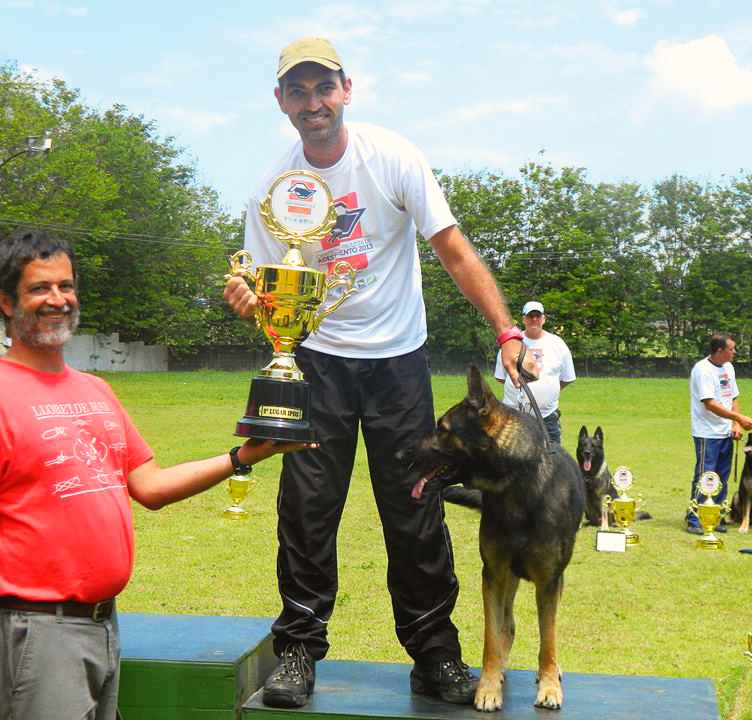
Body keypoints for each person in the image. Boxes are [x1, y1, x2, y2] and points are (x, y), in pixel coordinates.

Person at [222, 37, 529, 710]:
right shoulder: (271, 189)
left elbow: (452, 249)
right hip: (315, 363)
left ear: (347, 90)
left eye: (322, 88)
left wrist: (506, 330)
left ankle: (436, 656)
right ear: (281, 102)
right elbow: (272, 304)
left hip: (396, 362)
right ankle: (298, 650)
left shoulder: (392, 157)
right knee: (306, 510)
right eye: (297, 92)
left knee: (416, 507)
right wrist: (252, 308)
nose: (313, 103)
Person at [0, 230, 312, 720]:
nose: (58, 300)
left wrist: (243, 457)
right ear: (6, 302)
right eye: (40, 289)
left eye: (66, 286)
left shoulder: (95, 391)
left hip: (104, 623)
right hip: (34, 630)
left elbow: (151, 487)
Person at [685, 332, 752, 534]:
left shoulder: (729, 367)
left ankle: (714, 516)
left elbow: (733, 397)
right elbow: (710, 404)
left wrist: (736, 425)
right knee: (704, 476)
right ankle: (694, 518)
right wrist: (739, 418)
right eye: (731, 349)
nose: (734, 352)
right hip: (707, 433)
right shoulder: (702, 370)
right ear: (719, 351)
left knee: (722, 477)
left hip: (726, 432)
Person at [493, 301, 575, 445]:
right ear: (523, 319)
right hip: (514, 416)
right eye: (530, 316)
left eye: (538, 315)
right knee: (512, 459)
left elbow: (567, 378)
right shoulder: (511, 344)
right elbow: (501, 377)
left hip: (547, 416)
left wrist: (550, 390)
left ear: (544, 319)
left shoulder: (557, 343)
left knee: (552, 460)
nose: (534, 319)